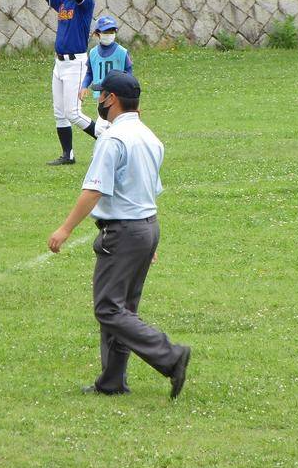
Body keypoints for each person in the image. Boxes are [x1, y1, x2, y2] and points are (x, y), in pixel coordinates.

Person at [48, 70, 191, 399]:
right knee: (123, 308)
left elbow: (94, 190)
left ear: (111, 99)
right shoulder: (151, 138)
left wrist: (65, 229)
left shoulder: (113, 139)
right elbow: (150, 191)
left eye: (101, 95)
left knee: (109, 309)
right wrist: (149, 238)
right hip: (145, 226)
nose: (99, 100)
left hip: (124, 231)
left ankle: (170, 356)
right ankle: (112, 382)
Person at [38, 0, 100, 165]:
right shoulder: (63, 0)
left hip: (77, 63)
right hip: (60, 64)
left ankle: (109, 138)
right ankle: (68, 155)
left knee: (73, 113)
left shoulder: (85, 3)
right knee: (60, 112)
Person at [79, 16, 133, 139]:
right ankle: (107, 153)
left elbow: (129, 73)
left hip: (117, 97)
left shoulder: (122, 52)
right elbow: (89, 73)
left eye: (112, 32)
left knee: (109, 129)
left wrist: (127, 91)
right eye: (105, 32)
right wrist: (84, 86)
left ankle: (111, 153)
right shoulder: (93, 53)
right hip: (101, 98)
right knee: (101, 129)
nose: (109, 35)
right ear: (98, 34)